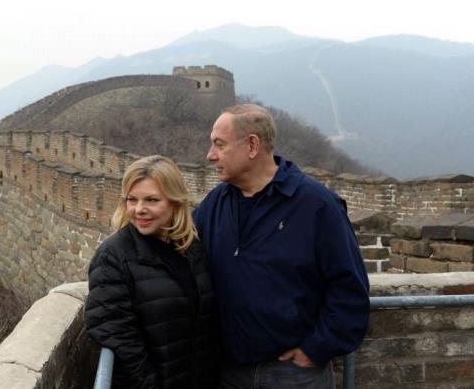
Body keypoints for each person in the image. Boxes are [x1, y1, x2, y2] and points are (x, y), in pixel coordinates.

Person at [193, 104, 370, 389]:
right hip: (227, 372)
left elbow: (349, 286)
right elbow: (181, 258)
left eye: (219, 145)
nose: (210, 155)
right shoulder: (214, 205)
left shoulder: (315, 205)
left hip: (293, 375)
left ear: (252, 145)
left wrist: (316, 349)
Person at [85, 155, 219, 389]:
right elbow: (116, 333)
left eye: (152, 200)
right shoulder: (114, 256)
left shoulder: (191, 248)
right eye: (132, 200)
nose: (139, 210)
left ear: (175, 201)